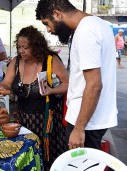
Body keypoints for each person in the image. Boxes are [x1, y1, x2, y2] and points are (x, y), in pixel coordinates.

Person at [36, 0, 118, 151]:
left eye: (47, 23)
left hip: (87, 122)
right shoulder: (98, 24)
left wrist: (79, 129)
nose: (48, 30)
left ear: (57, 13)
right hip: (93, 118)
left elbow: (94, 85)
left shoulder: (85, 32)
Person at [0, 26, 69, 170]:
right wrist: (3, 87)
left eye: (26, 47)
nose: (21, 51)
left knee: (47, 158)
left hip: (48, 124)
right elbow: (6, 81)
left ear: (36, 46)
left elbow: (69, 83)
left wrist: (52, 90)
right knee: (27, 158)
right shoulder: (16, 61)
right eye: (19, 47)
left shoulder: (50, 60)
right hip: (24, 120)